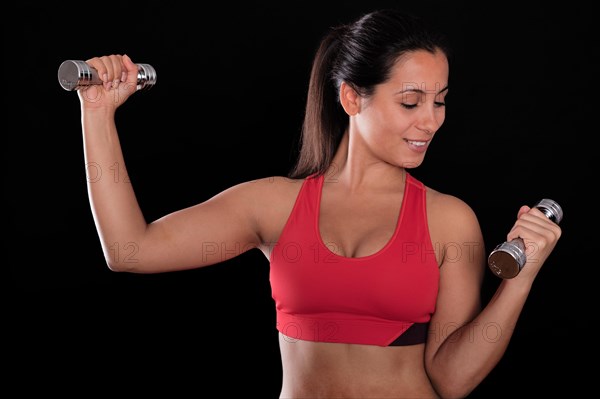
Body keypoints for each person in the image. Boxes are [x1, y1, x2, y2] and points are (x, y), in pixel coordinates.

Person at [76, 8, 561, 399]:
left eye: (441, 101)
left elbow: (451, 380)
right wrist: (96, 114)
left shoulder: (449, 220)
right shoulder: (273, 205)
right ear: (351, 98)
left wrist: (522, 280)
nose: (431, 121)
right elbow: (131, 251)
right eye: (411, 102)